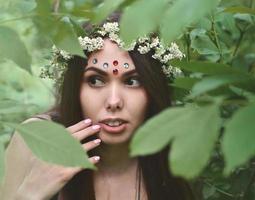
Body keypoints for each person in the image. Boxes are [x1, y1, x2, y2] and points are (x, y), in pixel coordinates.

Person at [0, 14, 195, 200]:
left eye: (133, 81)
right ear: (75, 87)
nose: (113, 101)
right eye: (95, 80)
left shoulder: (175, 156)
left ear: (154, 89)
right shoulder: (34, 139)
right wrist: (29, 194)